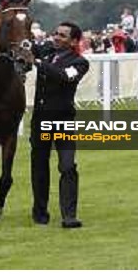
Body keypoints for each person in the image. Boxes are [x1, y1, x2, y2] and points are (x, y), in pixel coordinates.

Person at [27, 21, 90, 229]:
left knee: (67, 166)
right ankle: (39, 212)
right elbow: (22, 44)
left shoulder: (80, 62)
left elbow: (64, 77)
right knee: (39, 166)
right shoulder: (46, 51)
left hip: (63, 122)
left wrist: (36, 63)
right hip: (41, 121)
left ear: (73, 41)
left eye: (62, 35)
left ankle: (69, 216)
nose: (56, 37)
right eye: (55, 33)